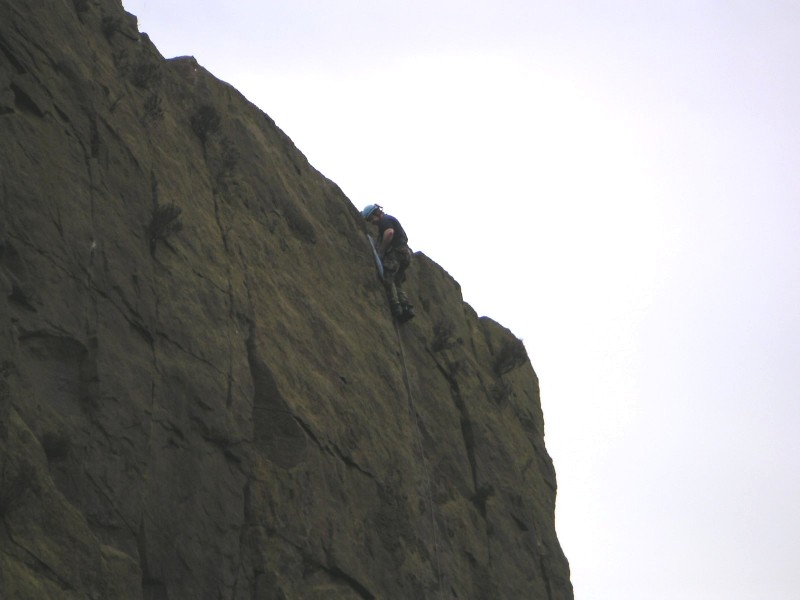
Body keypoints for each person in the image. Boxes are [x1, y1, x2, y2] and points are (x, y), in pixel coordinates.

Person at [362, 204, 415, 322]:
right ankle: (407, 307)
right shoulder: (390, 219)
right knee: (397, 280)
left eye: (371, 219)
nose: (372, 222)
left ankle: (396, 307)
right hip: (405, 254)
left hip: (397, 253)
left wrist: (382, 250)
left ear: (376, 214)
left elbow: (389, 233)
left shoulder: (385, 220)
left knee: (388, 276)